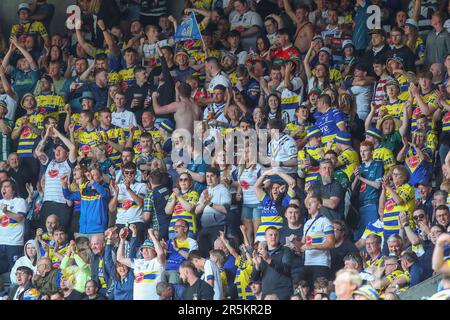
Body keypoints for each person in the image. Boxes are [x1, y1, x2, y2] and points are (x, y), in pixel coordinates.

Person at [117, 227, 165, 300]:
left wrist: (152, 236)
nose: (145, 251)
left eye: (148, 248)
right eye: (143, 249)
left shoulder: (157, 262)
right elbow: (119, 258)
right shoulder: (138, 262)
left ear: (155, 251)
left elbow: (161, 253)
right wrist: (122, 240)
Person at [195, 167, 231, 257]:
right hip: (204, 228)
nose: (209, 179)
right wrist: (204, 203)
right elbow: (196, 211)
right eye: (207, 176)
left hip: (217, 227)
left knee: (217, 255)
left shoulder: (223, 190)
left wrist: (210, 204)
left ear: (218, 177)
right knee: (204, 254)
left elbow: (225, 209)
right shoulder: (205, 192)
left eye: (212, 176)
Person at [250, 227, 294, 300]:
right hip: (266, 294)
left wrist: (269, 259)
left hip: (283, 293)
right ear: (265, 237)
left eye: (276, 235)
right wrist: (257, 266)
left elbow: (286, 269)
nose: (273, 237)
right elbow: (254, 279)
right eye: (270, 235)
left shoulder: (286, 250)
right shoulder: (261, 253)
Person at [0, 179, 28, 275]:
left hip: (14, 243)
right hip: (1, 243)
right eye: (2, 187)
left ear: (13, 190)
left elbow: (20, 218)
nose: (3, 188)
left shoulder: (20, 201)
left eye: (7, 186)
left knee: (15, 272)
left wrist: (6, 212)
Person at [163, 219, 198, 284]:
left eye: (178, 226)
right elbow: (162, 260)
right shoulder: (169, 242)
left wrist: (178, 249)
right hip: (166, 270)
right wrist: (164, 250)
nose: (175, 228)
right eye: (174, 226)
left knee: (173, 277)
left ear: (185, 229)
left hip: (179, 270)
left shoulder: (192, 242)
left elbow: (192, 258)